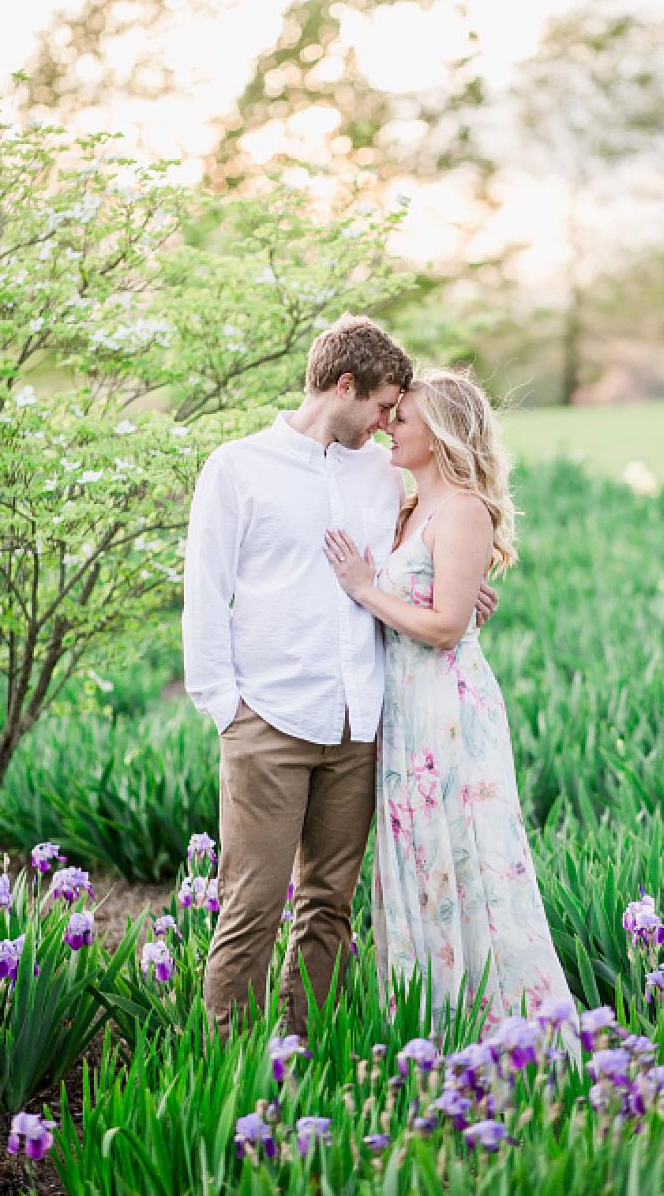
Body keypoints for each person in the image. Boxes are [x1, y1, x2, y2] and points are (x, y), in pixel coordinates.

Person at [181, 316, 496, 1038]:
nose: (392, 423)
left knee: (329, 906)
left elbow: (428, 552)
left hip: (361, 722)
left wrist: (462, 591)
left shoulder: (383, 476)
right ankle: (232, 1069)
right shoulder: (237, 468)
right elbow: (204, 595)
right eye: (385, 406)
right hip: (269, 721)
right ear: (345, 386)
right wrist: (227, 709)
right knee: (251, 903)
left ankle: (304, 1058)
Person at [324, 368, 579, 1043]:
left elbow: (441, 628)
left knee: (465, 859)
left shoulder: (463, 508)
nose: (388, 425)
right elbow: (446, 603)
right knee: (417, 861)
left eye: (401, 418)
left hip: (448, 713)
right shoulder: (410, 510)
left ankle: (506, 1035)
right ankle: (434, 1032)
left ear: (436, 435)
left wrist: (363, 588)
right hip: (405, 712)